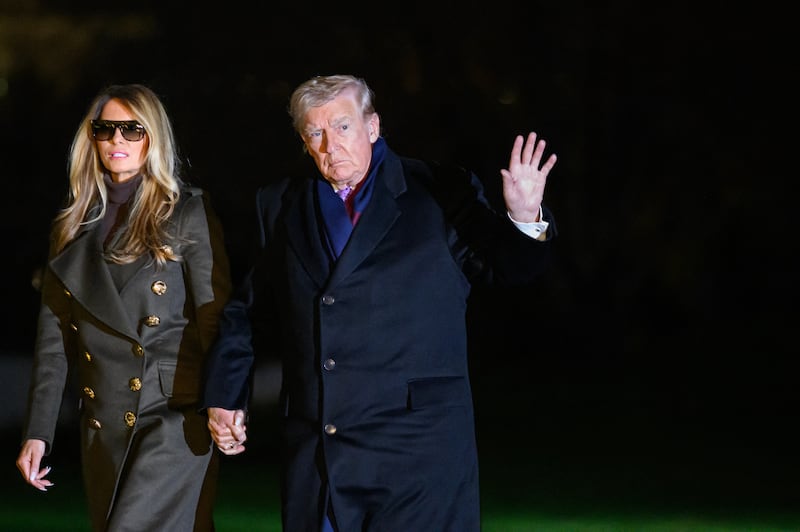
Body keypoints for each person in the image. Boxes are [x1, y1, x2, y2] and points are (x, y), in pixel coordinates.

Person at [203, 74, 558, 531]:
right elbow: (247, 312)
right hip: (321, 456)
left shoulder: (439, 190)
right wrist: (225, 394)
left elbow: (509, 269)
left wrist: (525, 217)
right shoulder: (280, 204)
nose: (331, 145)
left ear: (372, 126)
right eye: (316, 132)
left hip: (418, 458)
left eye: (343, 126)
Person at [16, 83, 232, 531]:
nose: (117, 140)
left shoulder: (186, 213)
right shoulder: (71, 228)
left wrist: (227, 401)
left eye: (132, 129)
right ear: (90, 139)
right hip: (104, 426)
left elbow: (215, 316)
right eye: (106, 129)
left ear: (152, 138)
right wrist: (38, 431)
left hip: (174, 416)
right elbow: (55, 342)